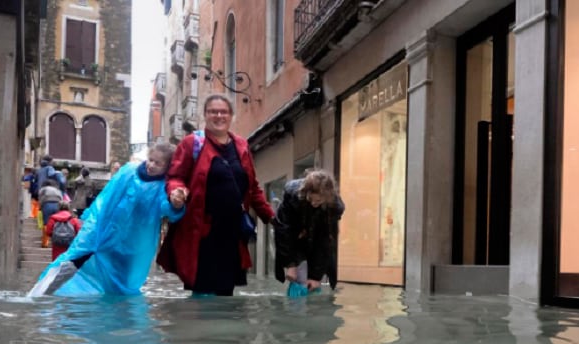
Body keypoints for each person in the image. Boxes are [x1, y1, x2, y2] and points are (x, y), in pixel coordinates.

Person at [157, 94, 275, 296]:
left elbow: (252, 187)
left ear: (231, 116)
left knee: (226, 298)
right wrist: (177, 192)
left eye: (224, 111)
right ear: (205, 115)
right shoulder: (191, 143)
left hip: (233, 236)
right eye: (213, 111)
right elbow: (175, 177)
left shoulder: (242, 146)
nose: (218, 115)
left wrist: (271, 217)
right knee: (203, 296)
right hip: (203, 236)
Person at [29, 144, 186, 296]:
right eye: (150, 159)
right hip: (102, 230)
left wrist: (176, 205)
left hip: (129, 243)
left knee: (120, 281)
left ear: (167, 167)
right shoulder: (129, 171)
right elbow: (105, 198)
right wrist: (91, 222)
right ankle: (41, 293)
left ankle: (116, 317)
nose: (151, 165)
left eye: (158, 163)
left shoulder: (161, 187)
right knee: (73, 260)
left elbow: (167, 209)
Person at [273, 169, 344, 293]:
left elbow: (325, 241)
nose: (313, 203)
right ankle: (295, 309)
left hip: (316, 241)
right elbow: (284, 232)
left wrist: (315, 276)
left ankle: (312, 307)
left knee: (314, 284)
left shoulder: (334, 207)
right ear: (306, 192)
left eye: (318, 201)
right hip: (294, 239)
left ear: (327, 198)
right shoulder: (292, 195)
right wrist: (290, 264)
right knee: (299, 280)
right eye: (310, 199)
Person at [38, 179, 63, 247]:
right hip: (57, 205)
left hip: (47, 205)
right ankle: (56, 242)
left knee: (46, 223)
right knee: (56, 224)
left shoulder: (43, 189)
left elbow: (40, 198)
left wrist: (40, 207)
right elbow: (61, 199)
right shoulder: (58, 190)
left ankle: (45, 243)